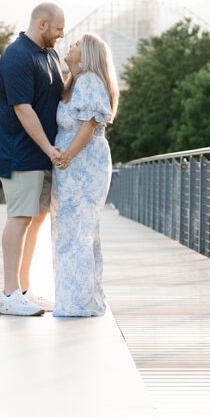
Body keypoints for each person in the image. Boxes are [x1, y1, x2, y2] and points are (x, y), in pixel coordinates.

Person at [0, 3, 65, 316]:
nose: (62, 34)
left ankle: (24, 290)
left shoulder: (50, 54)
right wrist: (49, 148)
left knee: (36, 221)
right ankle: (9, 295)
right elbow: (23, 109)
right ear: (42, 23)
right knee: (19, 218)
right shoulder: (17, 55)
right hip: (20, 152)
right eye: (58, 28)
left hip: (43, 155)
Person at [50, 32, 119, 317]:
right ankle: (74, 298)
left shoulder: (90, 80)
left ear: (88, 53)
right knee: (69, 230)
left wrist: (66, 155)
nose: (71, 44)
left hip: (84, 164)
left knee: (79, 230)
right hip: (70, 167)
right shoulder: (73, 82)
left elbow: (89, 125)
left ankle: (78, 302)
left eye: (77, 43)